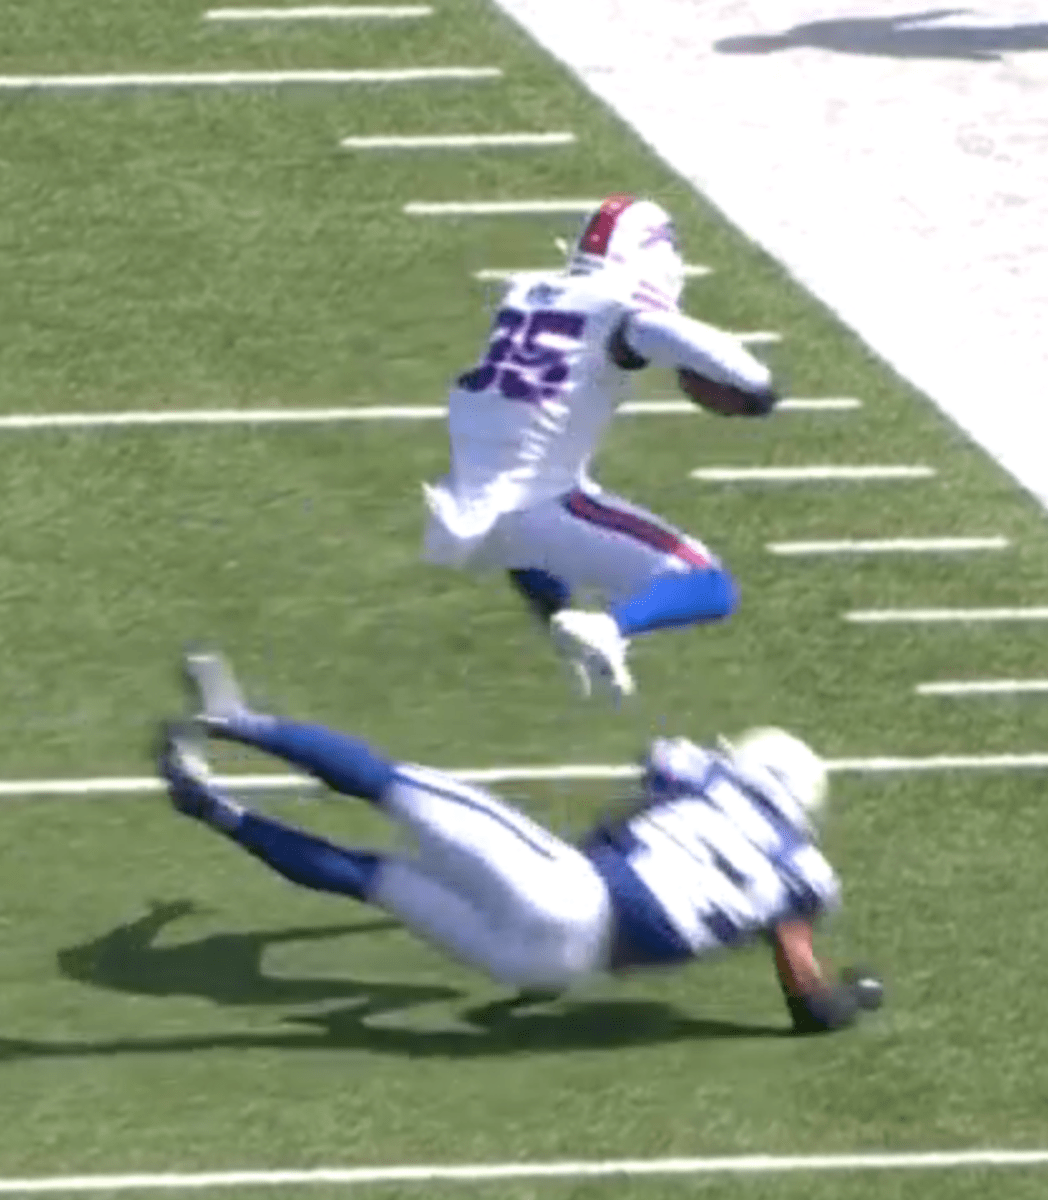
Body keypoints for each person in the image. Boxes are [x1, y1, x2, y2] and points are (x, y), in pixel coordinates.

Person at [156, 651, 882, 1034]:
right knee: (366, 875)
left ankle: (234, 720)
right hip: (548, 964)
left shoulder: (706, 775)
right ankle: (210, 807)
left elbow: (645, 790)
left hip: (574, 891)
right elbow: (809, 1003)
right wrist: (857, 997)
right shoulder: (805, 878)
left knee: (385, 783)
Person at [421, 193, 779, 701]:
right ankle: (610, 629)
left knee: (533, 526)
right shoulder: (622, 307)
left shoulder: (523, 292)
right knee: (708, 584)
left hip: (466, 500)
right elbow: (738, 375)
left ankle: (563, 622)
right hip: (540, 504)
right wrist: (760, 392)